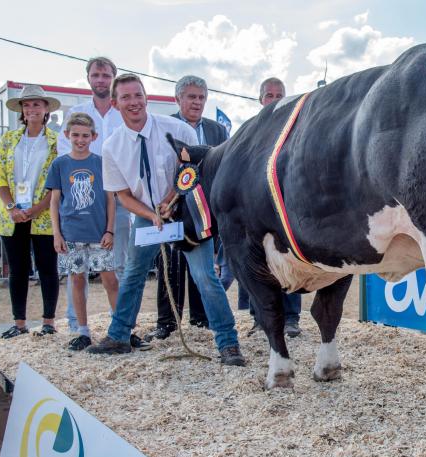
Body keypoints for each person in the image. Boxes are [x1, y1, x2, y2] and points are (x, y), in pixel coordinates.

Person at [86, 74, 244, 366]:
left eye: (138, 95)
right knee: (133, 273)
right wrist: (151, 214)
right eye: (126, 97)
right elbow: (122, 194)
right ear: (115, 103)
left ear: (146, 97)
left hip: (187, 212)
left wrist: (171, 200)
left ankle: (228, 343)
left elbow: (192, 169)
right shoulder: (111, 146)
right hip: (148, 217)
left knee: (205, 277)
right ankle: (119, 336)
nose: (134, 102)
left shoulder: (176, 128)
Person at [146, 75, 229, 341]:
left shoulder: (218, 131)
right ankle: (167, 322)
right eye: (191, 97)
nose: (197, 102)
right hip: (170, 206)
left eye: (201, 97)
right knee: (169, 264)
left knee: (203, 266)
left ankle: (201, 318)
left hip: (204, 209)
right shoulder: (164, 127)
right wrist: (166, 200)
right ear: (178, 99)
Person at [57, 57, 132, 332]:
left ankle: (121, 325)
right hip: (81, 200)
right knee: (77, 270)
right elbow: (65, 155)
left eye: (106, 75)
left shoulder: (122, 112)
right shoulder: (76, 112)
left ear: (113, 78)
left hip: (118, 198)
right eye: (96, 75)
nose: (101, 80)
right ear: (88, 78)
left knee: (117, 265)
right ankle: (77, 325)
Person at [0, 84, 60, 338]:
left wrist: (37, 208)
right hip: (11, 215)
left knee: (47, 268)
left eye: (37, 104)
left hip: (43, 215)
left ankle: (49, 322)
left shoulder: (55, 141)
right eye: (27, 104)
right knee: (18, 270)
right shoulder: (9, 139)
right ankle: (19, 323)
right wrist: (11, 206)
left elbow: (57, 179)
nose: (31, 108)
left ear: (46, 110)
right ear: (21, 110)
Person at [48, 112, 119, 350]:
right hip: (71, 233)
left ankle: (120, 328)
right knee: (77, 280)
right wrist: (57, 233)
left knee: (110, 279)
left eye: (85, 135)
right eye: (76, 135)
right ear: (67, 135)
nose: (80, 140)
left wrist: (110, 230)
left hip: (99, 233)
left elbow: (110, 199)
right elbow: (55, 201)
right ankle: (83, 330)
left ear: (93, 136)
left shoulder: (101, 162)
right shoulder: (59, 164)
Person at [249, 77, 302, 337]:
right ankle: (258, 318)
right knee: (255, 263)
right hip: (257, 211)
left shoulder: (294, 130)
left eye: (279, 94)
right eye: (269, 95)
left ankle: (291, 319)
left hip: (285, 209)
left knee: (290, 263)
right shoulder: (250, 132)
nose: (274, 99)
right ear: (260, 100)